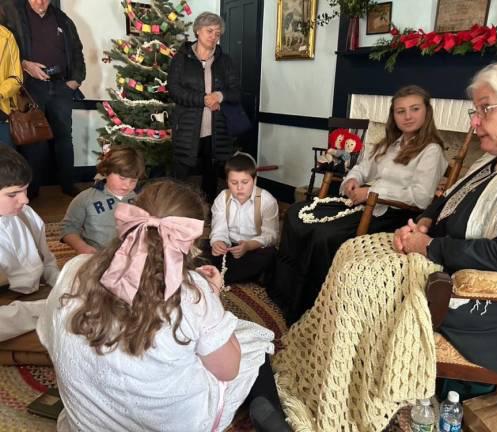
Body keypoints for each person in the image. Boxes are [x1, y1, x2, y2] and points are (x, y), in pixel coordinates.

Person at [272, 61, 497, 431]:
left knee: (364, 282)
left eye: (485, 109)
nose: (474, 122)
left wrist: (429, 247)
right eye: (474, 110)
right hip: (452, 267)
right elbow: (448, 199)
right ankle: (336, 370)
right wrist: (427, 221)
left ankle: (361, 394)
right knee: (351, 255)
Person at [37, 179, 292, 432]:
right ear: (191, 242)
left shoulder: (76, 268)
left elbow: (48, 334)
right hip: (170, 423)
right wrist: (212, 299)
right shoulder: (192, 294)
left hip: (88, 422)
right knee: (251, 340)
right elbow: (227, 370)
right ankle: (265, 406)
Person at [270, 85, 448, 324]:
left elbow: (422, 197)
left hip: (391, 214)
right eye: (400, 111)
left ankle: (313, 303)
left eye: (414, 109)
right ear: (393, 116)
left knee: (324, 235)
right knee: (297, 212)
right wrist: (353, 180)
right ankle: (287, 290)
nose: (407, 116)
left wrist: (372, 192)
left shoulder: (431, 151)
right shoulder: (391, 144)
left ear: (427, 112)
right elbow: (364, 168)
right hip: (364, 205)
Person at [8, 0, 85, 199]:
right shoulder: (15, 16)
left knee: (64, 137)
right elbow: (7, 50)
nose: (40, 2)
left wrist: (76, 79)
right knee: (34, 139)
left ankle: (68, 184)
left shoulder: (63, 19)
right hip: (31, 86)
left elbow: (77, 50)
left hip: (61, 86)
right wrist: (25, 65)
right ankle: (31, 191)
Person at [168, 11, 240, 202]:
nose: (214, 37)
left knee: (211, 172)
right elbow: (174, 90)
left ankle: (209, 211)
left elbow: (236, 92)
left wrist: (219, 95)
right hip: (187, 126)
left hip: (215, 129)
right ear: (198, 31)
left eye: (217, 33)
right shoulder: (181, 58)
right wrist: (203, 99)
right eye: (209, 31)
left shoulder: (225, 60)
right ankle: (176, 210)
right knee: (181, 172)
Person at [0, 146, 59, 342]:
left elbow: (47, 261)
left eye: (25, 190)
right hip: (10, 315)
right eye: (13, 194)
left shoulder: (26, 215)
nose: (24, 199)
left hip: (38, 299)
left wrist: (62, 286)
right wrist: (49, 308)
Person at [61, 146, 145, 254]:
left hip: (131, 256)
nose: (127, 185)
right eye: (122, 178)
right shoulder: (85, 199)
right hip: (97, 256)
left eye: (133, 180)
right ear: (106, 172)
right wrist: (82, 247)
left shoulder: (141, 199)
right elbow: (68, 228)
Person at [210, 152, 279, 284]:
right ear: (227, 182)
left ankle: (224, 275)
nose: (239, 188)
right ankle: (247, 275)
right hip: (230, 248)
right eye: (234, 182)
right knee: (198, 249)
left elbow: (271, 236)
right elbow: (219, 229)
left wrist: (248, 246)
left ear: (254, 180)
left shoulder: (267, 201)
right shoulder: (222, 198)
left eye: (245, 182)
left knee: (270, 256)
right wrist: (218, 242)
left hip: (254, 248)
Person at [0, 19, 22, 147]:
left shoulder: (6, 36)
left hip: (1, 114)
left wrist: (1, 93)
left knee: (6, 163)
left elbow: (16, 77)